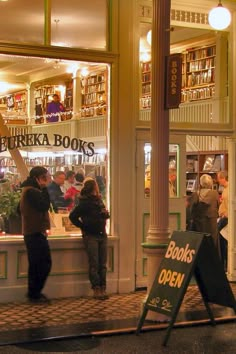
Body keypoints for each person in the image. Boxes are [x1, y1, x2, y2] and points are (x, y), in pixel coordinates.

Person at [69, 178, 110, 300]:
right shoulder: (85, 203)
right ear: (94, 188)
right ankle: (97, 289)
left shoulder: (98, 201)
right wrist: (83, 226)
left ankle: (102, 288)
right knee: (95, 263)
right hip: (91, 235)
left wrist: (105, 215)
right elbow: (73, 216)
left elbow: (104, 214)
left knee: (101, 264)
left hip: (101, 234)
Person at [19, 166, 51, 303]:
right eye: (44, 177)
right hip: (34, 232)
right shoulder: (32, 191)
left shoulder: (29, 190)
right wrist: (44, 188)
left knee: (39, 263)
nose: (47, 180)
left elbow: (18, 209)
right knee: (42, 263)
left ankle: (34, 293)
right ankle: (34, 294)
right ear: (37, 178)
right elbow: (44, 205)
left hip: (33, 232)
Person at [190, 174, 220, 256]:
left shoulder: (195, 194)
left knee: (199, 244)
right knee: (212, 243)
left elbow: (191, 210)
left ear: (200, 184)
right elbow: (218, 205)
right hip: (211, 222)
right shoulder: (215, 194)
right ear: (211, 184)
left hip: (198, 223)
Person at [217, 170, 229, 270]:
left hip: (226, 218)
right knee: (221, 239)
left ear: (223, 178)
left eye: (218, 178)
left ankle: (224, 263)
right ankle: (223, 263)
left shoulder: (229, 189)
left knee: (221, 237)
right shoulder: (225, 189)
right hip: (223, 217)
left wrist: (225, 214)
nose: (217, 181)